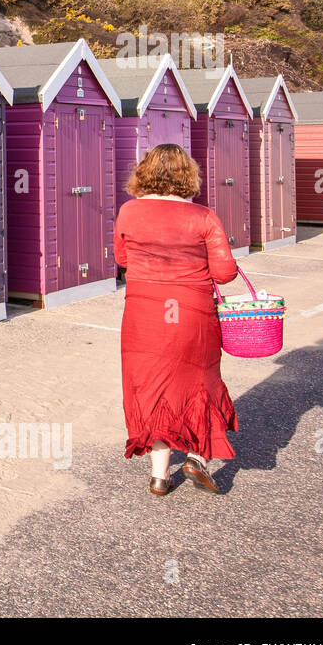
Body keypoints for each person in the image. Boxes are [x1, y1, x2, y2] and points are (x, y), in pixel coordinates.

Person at [113, 144, 239, 495]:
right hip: (191, 313)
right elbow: (225, 273)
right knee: (199, 384)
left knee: (152, 388)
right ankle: (196, 458)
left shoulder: (129, 212)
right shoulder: (203, 217)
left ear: (144, 172)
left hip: (144, 313)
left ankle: (158, 476)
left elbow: (121, 257)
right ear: (188, 176)